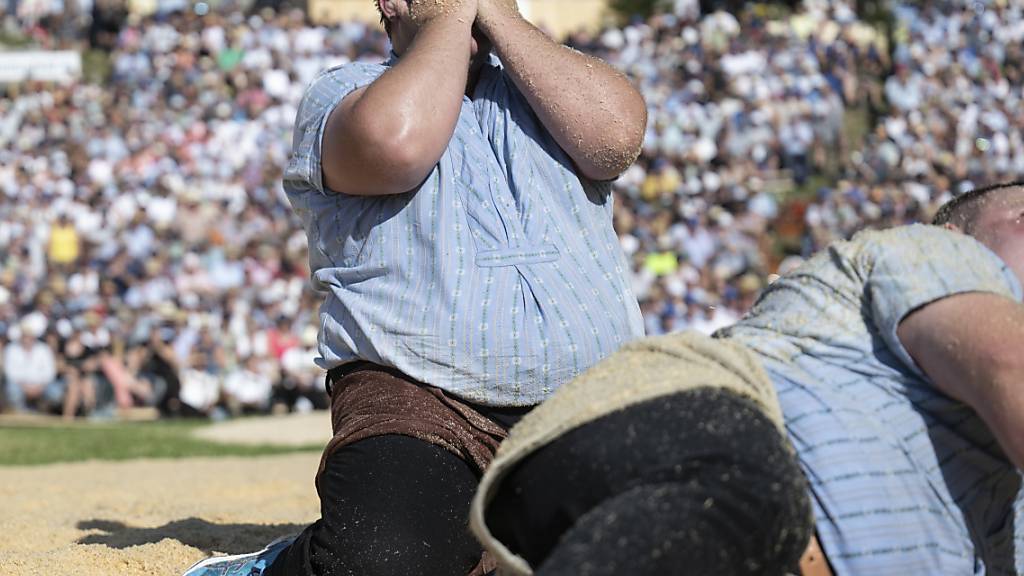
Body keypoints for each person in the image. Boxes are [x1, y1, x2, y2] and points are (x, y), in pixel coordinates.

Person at [184, 0, 646, 574]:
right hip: (422, 402)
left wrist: (498, 19)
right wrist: (452, 17)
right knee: (384, 561)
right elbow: (395, 144)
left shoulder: (547, 82)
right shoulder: (343, 92)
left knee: (675, 541)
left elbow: (614, 136)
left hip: (588, 400)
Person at [470, 181, 1024, 576]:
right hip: (703, 446)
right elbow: (1007, 364)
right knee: (759, 494)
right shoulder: (943, 257)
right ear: (958, 233)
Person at [3, 325, 60, 413]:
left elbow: (50, 372)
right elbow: (10, 373)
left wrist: (40, 387)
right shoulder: (11, 349)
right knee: (13, 390)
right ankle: (21, 414)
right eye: (25, 336)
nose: (27, 339)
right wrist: (25, 387)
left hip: (42, 386)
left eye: (29, 336)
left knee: (55, 393)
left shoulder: (44, 349)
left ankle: (43, 412)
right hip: (20, 385)